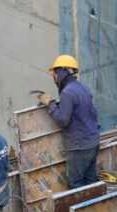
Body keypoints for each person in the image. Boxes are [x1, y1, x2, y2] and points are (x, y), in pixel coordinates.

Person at [37, 54, 100, 189]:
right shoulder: (83, 88)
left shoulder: (67, 93)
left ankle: (81, 210)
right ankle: (91, 209)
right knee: (90, 182)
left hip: (79, 147)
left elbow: (63, 120)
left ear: (62, 72)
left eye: (54, 73)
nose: (53, 77)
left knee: (75, 185)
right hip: (93, 143)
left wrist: (50, 104)